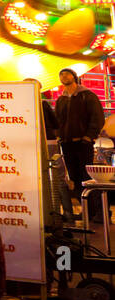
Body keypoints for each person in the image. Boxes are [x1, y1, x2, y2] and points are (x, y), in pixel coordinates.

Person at [56, 68, 104, 201]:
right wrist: (59, 135)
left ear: (74, 76)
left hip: (83, 143)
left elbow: (97, 117)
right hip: (67, 144)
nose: (64, 77)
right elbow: (58, 120)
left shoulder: (87, 95)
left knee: (87, 177)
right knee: (74, 177)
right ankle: (85, 209)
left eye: (67, 74)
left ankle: (96, 210)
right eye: (61, 75)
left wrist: (89, 136)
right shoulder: (61, 99)